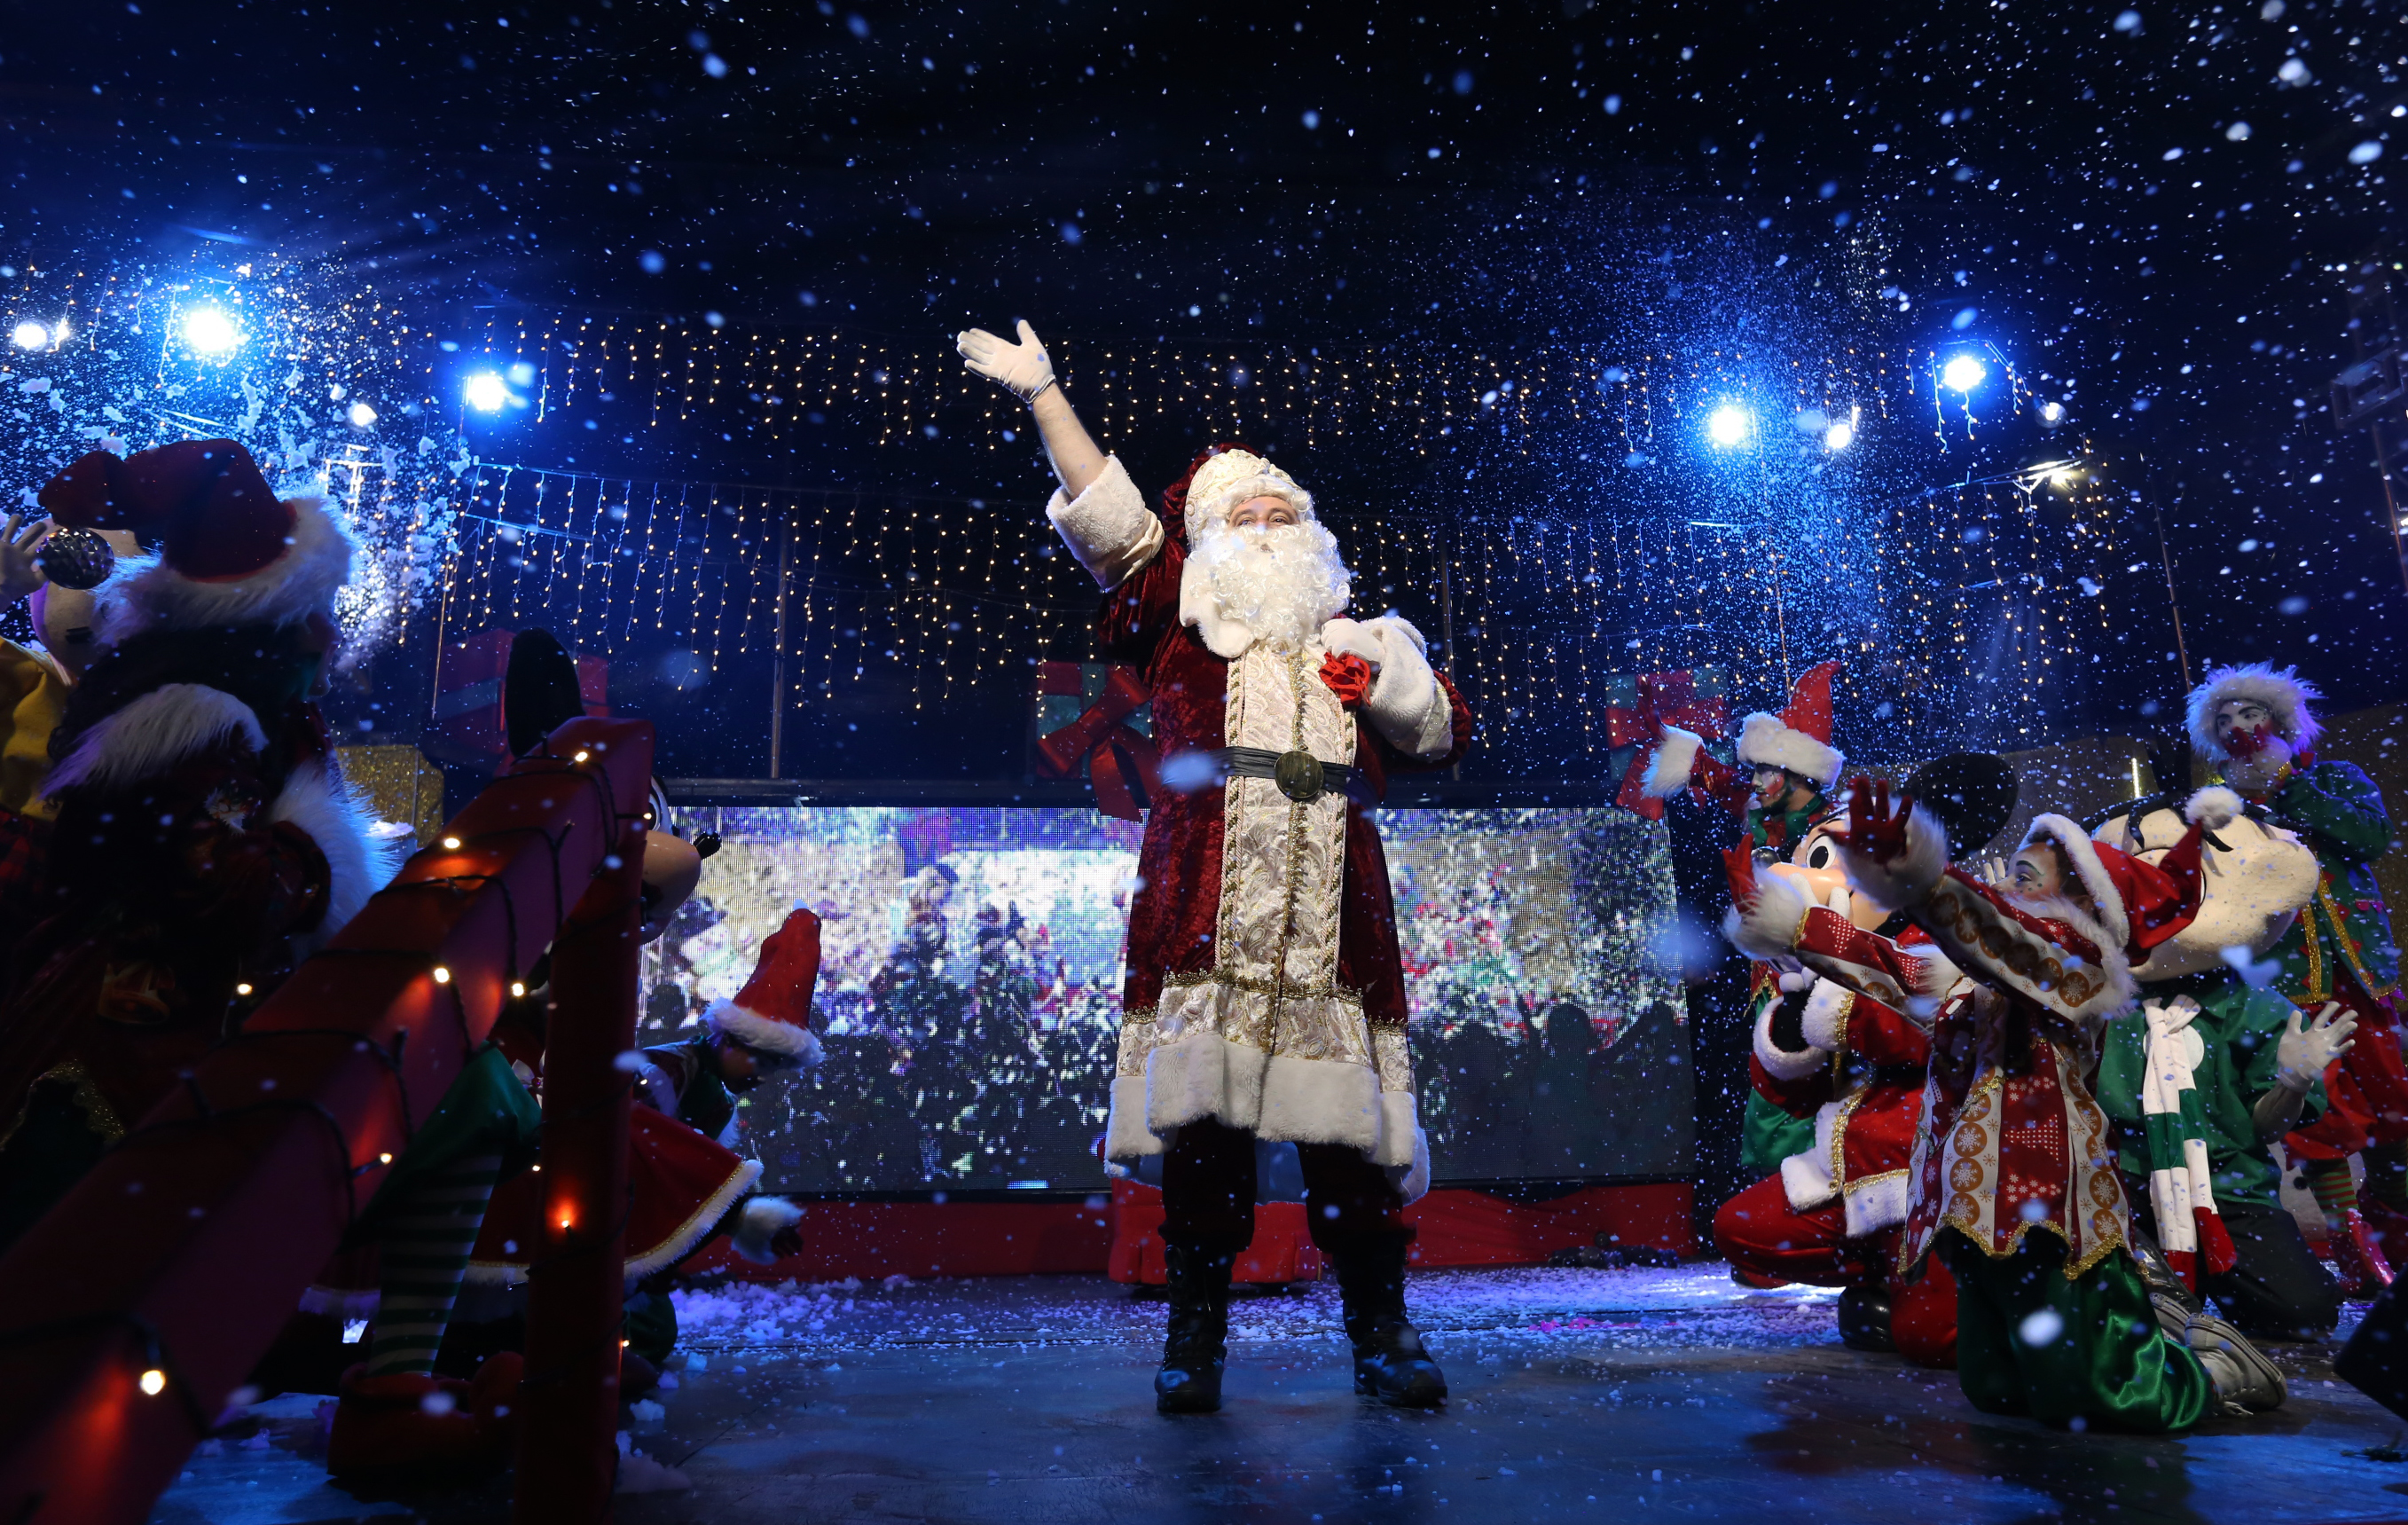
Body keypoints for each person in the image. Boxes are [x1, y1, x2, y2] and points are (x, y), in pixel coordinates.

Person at [957, 318, 1472, 1412]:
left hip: (1336, 910)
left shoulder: (1364, 636)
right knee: (1207, 1141)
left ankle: (1381, 1333)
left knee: (1350, 1148)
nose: (1270, 525)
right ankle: (1194, 1341)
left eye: (1285, 513)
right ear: (1206, 539)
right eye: (1246, 513)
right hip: (1208, 896)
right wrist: (1047, 396)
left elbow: (1441, 735)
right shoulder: (1176, 613)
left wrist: (1385, 686)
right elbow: (1110, 522)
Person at [1731, 782, 2290, 1427]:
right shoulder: (1979, 974)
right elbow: (1889, 968)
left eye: (2025, 876)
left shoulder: (2076, 968)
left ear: (2082, 902)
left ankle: (2212, 1376)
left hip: (2044, 1206)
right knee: (1994, 1383)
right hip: (1968, 1203)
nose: (2004, 884)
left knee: (2101, 1394)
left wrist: (1919, 878)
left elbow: (1996, 938)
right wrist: (1792, 925)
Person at [0, 441, 397, 1253]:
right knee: (96, 1256)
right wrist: (314, 855)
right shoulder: (198, 721)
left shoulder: (217, 705)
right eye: (314, 612)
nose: (328, 635)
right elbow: (215, 882)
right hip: (135, 1040)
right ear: (267, 623)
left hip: (155, 1023)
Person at [2088, 785, 2351, 1340]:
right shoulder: (2094, 1001)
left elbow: (2265, 1128)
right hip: (2120, 1192)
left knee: (2304, 1312)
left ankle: (2188, 1285)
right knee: (2098, 1311)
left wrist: (2292, 1084)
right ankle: (2156, 1285)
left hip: (2227, 1192)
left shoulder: (2255, 1007)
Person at [2186, 663, 2404, 1286]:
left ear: (2280, 720)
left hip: (2359, 973)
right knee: (2319, 1113)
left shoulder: (2334, 779)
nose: (2237, 725)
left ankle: (2392, 1225)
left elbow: (2368, 836)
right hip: (2284, 982)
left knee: (2394, 1102)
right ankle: (2349, 1239)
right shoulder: (2221, 808)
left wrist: (2284, 785)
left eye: (2249, 713)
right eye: (2224, 718)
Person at [1643, 664, 1850, 1187]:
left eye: (1764, 772)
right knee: (1770, 1108)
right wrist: (1681, 750)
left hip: (1823, 990)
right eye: (1754, 771)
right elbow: (1719, 782)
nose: (1755, 782)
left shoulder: (1835, 834)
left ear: (1799, 774)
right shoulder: (1762, 820)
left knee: (1817, 1110)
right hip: (1768, 991)